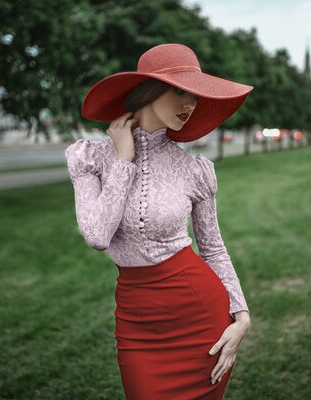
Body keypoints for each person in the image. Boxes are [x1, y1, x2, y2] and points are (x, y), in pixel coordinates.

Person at [65, 43, 253, 399]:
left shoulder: (195, 169)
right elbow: (97, 235)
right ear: (148, 90)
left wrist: (241, 314)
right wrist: (123, 159)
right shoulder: (91, 159)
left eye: (195, 95)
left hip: (200, 316)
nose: (190, 104)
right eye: (180, 90)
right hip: (136, 322)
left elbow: (212, 248)